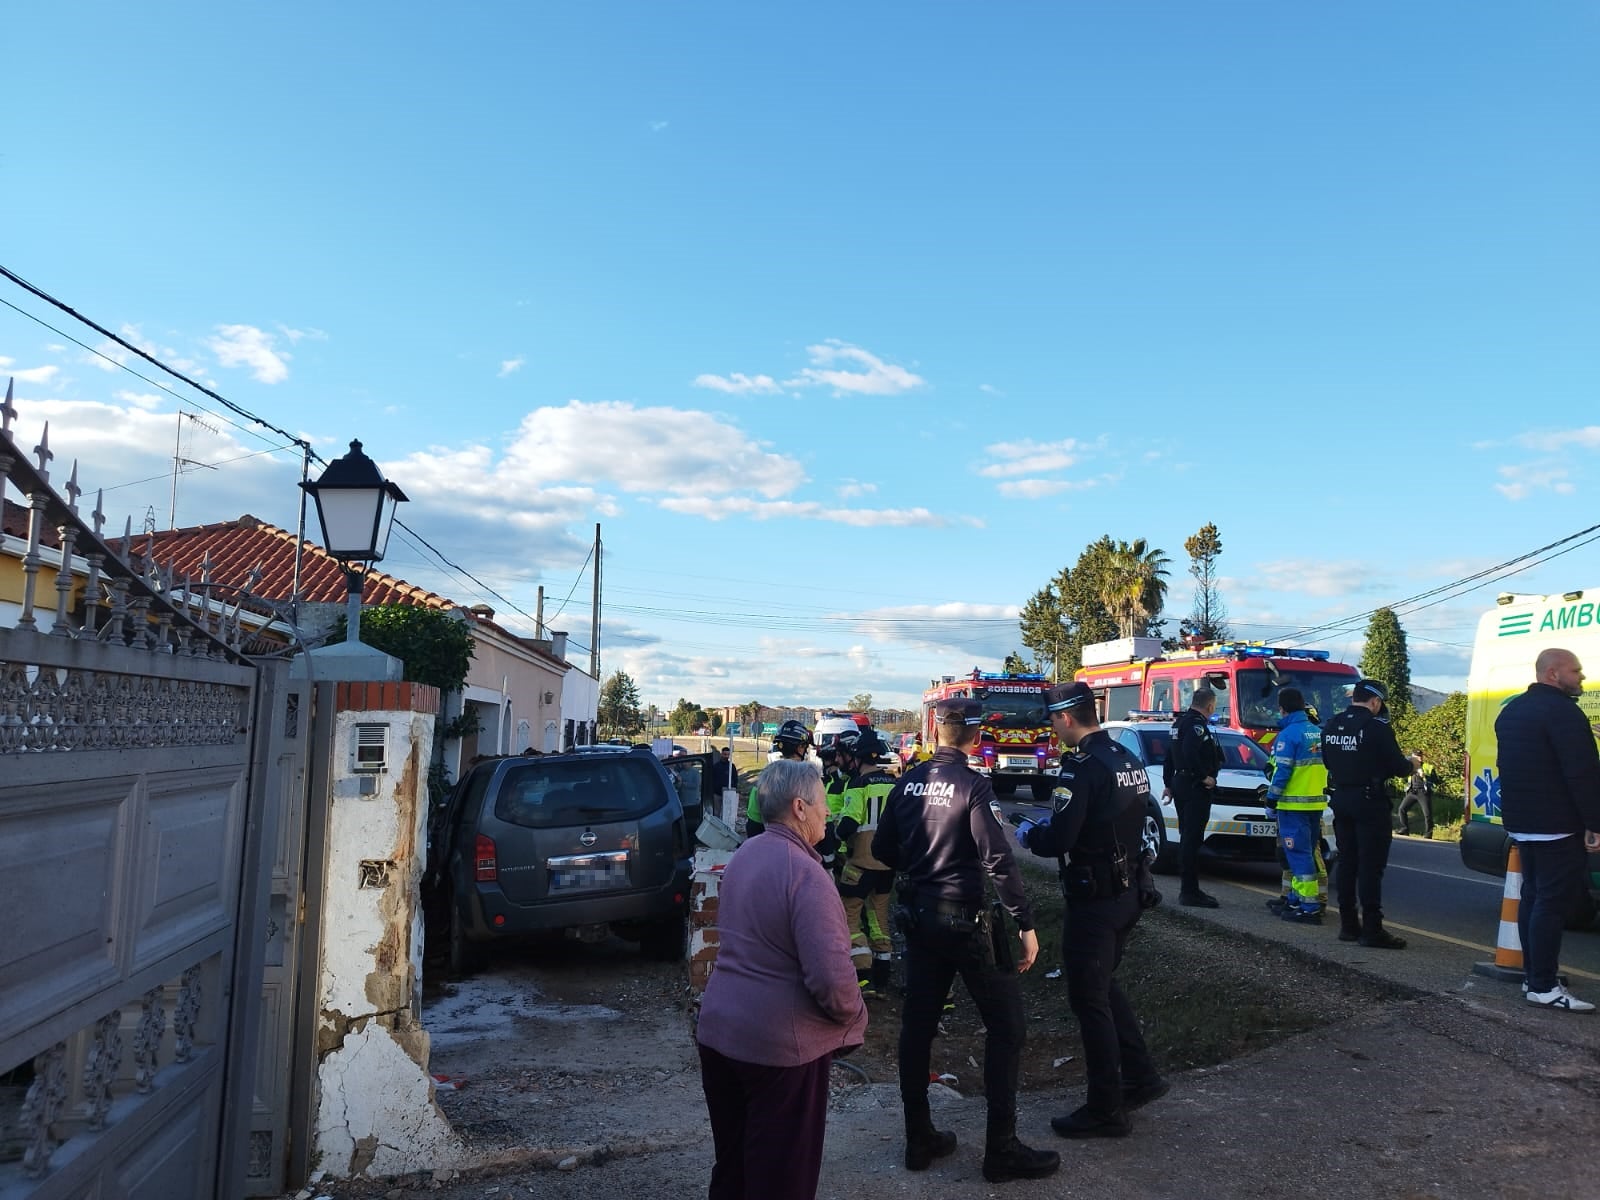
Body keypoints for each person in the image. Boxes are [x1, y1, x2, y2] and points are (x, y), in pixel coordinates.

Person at [873, 698, 1059, 1183]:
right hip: (966, 924)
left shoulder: (905, 784)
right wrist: (1025, 923)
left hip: (918, 920)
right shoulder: (974, 786)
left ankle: (919, 1137)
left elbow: (881, 849)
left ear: (936, 731)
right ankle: (1001, 1148)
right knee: (1007, 1027)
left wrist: (919, 865)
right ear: (975, 736)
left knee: (918, 1026)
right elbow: (998, 859)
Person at [697, 759, 868, 1199]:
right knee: (780, 1180)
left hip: (720, 1033)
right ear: (799, 808)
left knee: (734, 1167)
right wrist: (854, 1020)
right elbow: (831, 978)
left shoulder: (745, 855)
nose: (828, 812)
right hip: (778, 1050)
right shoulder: (807, 875)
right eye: (822, 804)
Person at [1018, 682, 1166, 1139]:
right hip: (1128, 893)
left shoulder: (1080, 768)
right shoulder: (1126, 759)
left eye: (1052, 720)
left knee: (1088, 999)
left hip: (1096, 898)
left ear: (1065, 718)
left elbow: (1060, 839)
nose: (1052, 728)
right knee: (1105, 988)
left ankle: (1105, 1108)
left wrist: (1029, 835)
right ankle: (1140, 1077)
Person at [1495, 648, 1600, 1012]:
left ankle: (1533, 977)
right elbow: (1582, 773)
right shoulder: (1563, 712)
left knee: (1534, 899)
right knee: (1550, 906)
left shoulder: (1512, 711)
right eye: (1577, 670)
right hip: (1557, 825)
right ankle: (1543, 985)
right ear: (1554, 674)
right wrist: (1594, 823)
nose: (1582, 677)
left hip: (1523, 824)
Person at [1322, 678, 1415, 948]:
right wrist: (1412, 764)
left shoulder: (1331, 725)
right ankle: (1372, 930)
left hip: (1341, 798)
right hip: (1369, 801)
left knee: (1348, 863)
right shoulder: (1376, 728)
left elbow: (1328, 761)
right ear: (1375, 702)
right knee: (1370, 867)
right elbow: (1398, 767)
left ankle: (1348, 925)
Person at [834, 728, 898, 996]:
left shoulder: (859, 785)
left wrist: (833, 835)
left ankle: (862, 975)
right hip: (887, 866)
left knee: (850, 918)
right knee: (880, 918)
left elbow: (849, 822)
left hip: (859, 863)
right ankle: (883, 977)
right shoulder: (895, 783)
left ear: (858, 759)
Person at [1263, 688, 1328, 923]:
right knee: (1306, 853)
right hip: (1315, 804)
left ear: (1282, 708)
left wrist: (1271, 799)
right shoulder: (1317, 732)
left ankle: (1308, 908)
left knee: (1299, 857)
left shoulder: (1288, 735)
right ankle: (1296, 899)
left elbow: (1282, 772)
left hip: (1293, 805)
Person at [1170, 687, 1225, 907]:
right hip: (1194, 787)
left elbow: (1169, 755)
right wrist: (1204, 777)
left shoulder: (1179, 724)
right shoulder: (1196, 726)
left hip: (1181, 783)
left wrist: (1168, 783)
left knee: (1187, 837)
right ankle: (1190, 892)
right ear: (1210, 705)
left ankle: (1189, 889)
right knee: (1192, 839)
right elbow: (1189, 752)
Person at [743, 720, 813, 837]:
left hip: (771, 848)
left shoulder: (762, 783)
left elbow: (753, 826)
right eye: (805, 746)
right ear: (800, 747)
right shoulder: (811, 782)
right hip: (800, 851)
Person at [1395, 751, 1436, 838]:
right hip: (1412, 791)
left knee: (1427, 814)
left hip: (1423, 792)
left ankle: (1428, 833)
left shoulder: (1428, 766)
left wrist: (1425, 776)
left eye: (1420, 756)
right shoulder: (1411, 766)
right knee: (1402, 809)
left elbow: (1435, 780)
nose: (1419, 758)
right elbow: (1402, 775)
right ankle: (1404, 829)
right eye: (1417, 756)